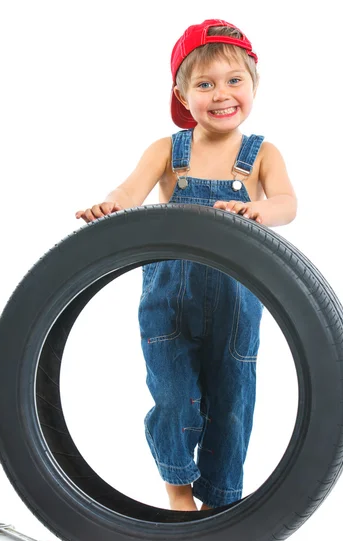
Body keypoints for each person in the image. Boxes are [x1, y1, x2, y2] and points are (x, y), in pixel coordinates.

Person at [75, 19, 297, 512]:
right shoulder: (168, 152)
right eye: (205, 84)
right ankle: (179, 494)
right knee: (174, 396)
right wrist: (110, 206)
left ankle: (220, 503)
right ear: (181, 92)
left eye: (234, 80)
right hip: (169, 304)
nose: (222, 94)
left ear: (253, 84)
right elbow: (128, 193)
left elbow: (286, 203)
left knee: (232, 403)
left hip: (238, 302)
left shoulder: (261, 155)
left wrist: (261, 210)